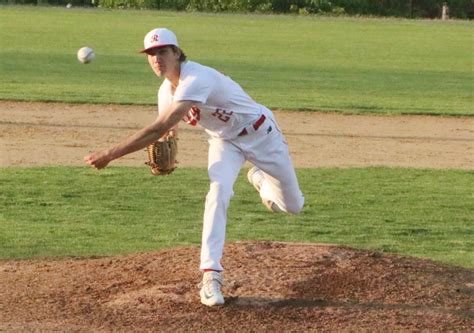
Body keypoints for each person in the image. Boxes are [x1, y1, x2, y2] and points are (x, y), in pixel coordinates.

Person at [84, 28, 304, 307]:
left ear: (176, 52)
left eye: (162, 51)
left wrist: (110, 153)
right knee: (218, 192)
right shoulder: (165, 91)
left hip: (262, 136)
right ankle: (211, 276)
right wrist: (169, 140)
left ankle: (260, 179)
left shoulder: (197, 78)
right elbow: (168, 130)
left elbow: (159, 126)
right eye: (151, 54)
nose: (156, 59)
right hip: (225, 143)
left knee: (293, 206)